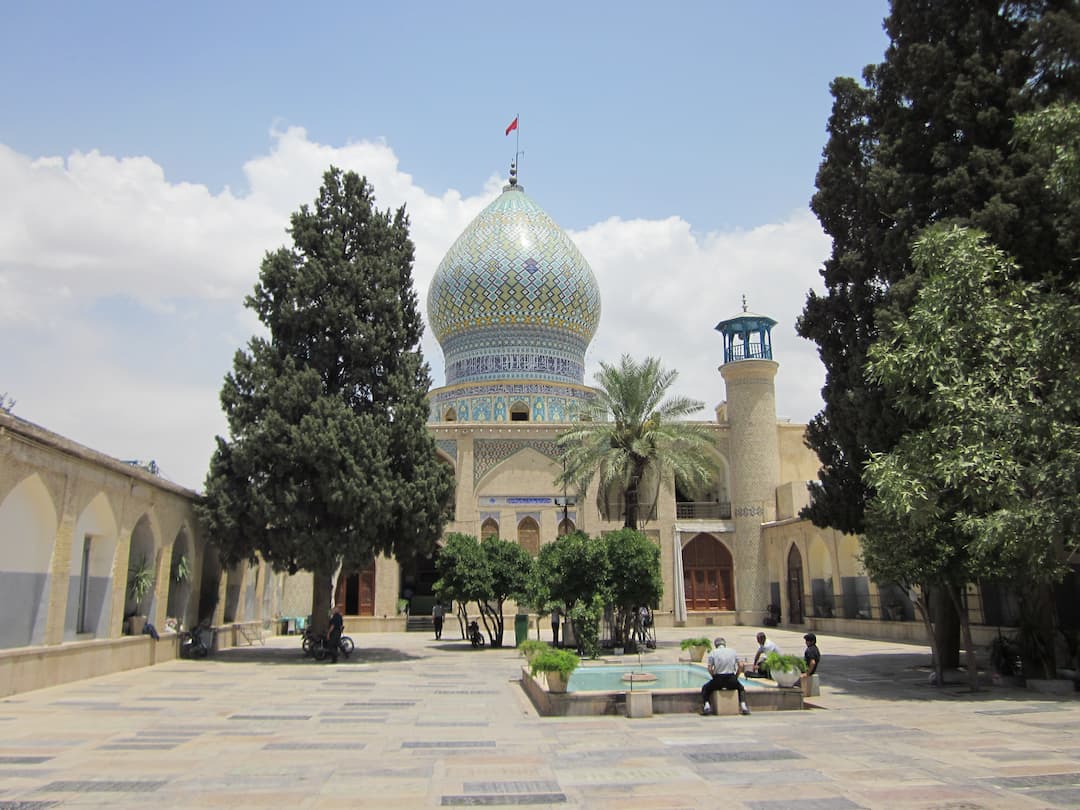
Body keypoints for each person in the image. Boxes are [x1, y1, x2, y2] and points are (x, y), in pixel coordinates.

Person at [700, 637, 749, 716]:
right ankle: (743, 707)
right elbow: (741, 665)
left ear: (716, 645)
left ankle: (707, 706)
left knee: (705, 688)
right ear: (724, 644)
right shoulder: (733, 651)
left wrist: (714, 677)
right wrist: (736, 676)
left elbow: (709, 668)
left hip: (718, 679)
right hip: (731, 678)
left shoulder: (713, 652)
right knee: (741, 688)